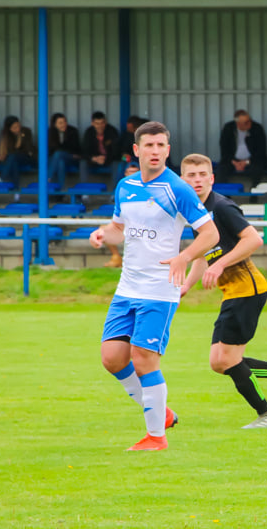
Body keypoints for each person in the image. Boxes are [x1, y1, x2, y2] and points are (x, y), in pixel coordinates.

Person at [89, 121, 220, 451]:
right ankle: (161, 413)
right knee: (112, 358)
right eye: (149, 146)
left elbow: (210, 234)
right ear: (136, 150)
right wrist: (104, 235)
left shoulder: (178, 189)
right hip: (127, 288)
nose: (156, 151)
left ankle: (156, 438)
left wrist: (184, 257)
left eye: (161, 145)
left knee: (144, 358)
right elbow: (120, 228)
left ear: (168, 150)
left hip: (159, 290)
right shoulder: (125, 186)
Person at [179, 153, 267, 428]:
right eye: (191, 175)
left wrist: (219, 265)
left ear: (212, 178)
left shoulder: (222, 207)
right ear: (182, 180)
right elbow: (202, 254)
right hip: (236, 292)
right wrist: (186, 285)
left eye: (203, 175)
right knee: (219, 361)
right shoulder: (196, 211)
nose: (197, 180)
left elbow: (254, 239)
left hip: (246, 290)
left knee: (226, 360)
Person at [218, 109, 267, 189]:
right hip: (232, 161)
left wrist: (246, 162)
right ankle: (225, 197)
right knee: (221, 170)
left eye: (249, 121)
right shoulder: (228, 129)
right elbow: (224, 149)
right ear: (238, 124)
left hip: (252, 160)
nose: (249, 124)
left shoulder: (257, 128)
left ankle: (254, 195)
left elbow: (261, 151)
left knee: (257, 169)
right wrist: (234, 162)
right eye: (246, 123)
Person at [81, 111, 120, 184]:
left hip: (109, 159)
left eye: (102, 123)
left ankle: (114, 192)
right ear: (92, 123)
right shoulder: (89, 132)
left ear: (105, 122)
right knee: (83, 163)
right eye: (97, 123)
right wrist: (93, 158)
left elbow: (116, 151)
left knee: (116, 164)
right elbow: (84, 151)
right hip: (94, 159)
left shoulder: (112, 131)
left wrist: (105, 158)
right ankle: (84, 191)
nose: (100, 126)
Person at [0, 116, 36, 190]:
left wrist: (21, 137)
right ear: (9, 129)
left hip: (27, 157)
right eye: (14, 127)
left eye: (18, 126)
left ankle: (2, 178)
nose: (18, 129)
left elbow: (28, 148)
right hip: (14, 159)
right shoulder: (7, 135)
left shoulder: (26, 131)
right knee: (14, 162)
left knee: (13, 157)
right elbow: (9, 151)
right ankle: (16, 191)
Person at [47, 113, 81, 187]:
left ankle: (48, 178)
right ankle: (60, 191)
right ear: (54, 124)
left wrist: (60, 148)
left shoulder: (72, 131)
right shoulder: (50, 132)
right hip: (55, 159)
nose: (64, 124)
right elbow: (50, 149)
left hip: (70, 157)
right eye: (60, 123)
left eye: (65, 122)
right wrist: (63, 148)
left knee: (58, 153)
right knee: (60, 162)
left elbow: (74, 148)